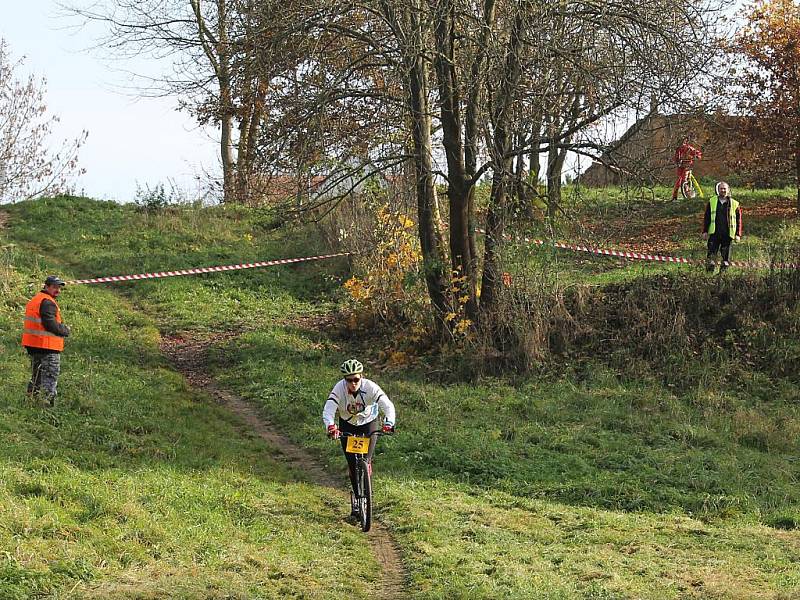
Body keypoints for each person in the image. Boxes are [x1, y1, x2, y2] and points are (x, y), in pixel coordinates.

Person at [322, 359, 396, 517]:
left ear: (361, 377)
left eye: (356, 379)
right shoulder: (339, 389)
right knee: (351, 462)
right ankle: (357, 497)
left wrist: (389, 422)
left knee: (366, 460)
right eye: (349, 380)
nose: (353, 383)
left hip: (369, 423)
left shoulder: (370, 387)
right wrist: (331, 426)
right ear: (345, 380)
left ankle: (367, 489)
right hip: (347, 424)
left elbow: (387, 405)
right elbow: (328, 409)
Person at [21, 275, 71, 406]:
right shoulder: (47, 302)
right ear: (46, 286)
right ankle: (47, 407)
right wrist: (65, 330)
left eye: (59, 288)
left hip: (34, 345)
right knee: (49, 377)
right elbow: (51, 325)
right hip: (47, 346)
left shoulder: (36, 299)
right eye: (55, 287)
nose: (58, 291)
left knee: (36, 377)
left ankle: (30, 402)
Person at [702, 181, 742, 273]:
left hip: (727, 234)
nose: (723, 190)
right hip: (714, 234)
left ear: (728, 190)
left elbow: (739, 220)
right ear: (718, 190)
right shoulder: (712, 201)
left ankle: (723, 275)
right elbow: (707, 217)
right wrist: (704, 231)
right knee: (711, 255)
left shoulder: (735, 203)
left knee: (726, 257)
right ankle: (709, 274)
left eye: (725, 189)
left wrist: (738, 234)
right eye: (721, 188)